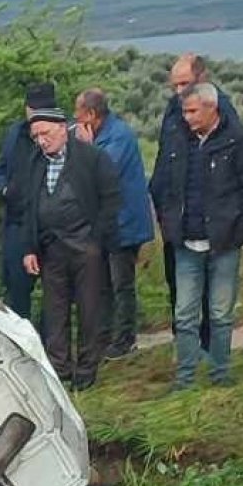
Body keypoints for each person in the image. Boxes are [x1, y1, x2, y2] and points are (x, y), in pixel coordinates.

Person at [149, 84, 243, 390]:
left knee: (220, 313)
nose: (186, 118)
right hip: (185, 242)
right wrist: (169, 225)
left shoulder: (240, 140)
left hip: (224, 243)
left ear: (213, 108)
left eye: (192, 111)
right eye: (184, 111)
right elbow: (159, 185)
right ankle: (185, 379)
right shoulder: (176, 141)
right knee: (184, 314)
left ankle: (220, 375)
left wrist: (239, 232)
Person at [20, 102, 121, 391]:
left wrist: (97, 240)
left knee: (90, 310)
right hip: (51, 247)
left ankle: (87, 369)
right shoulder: (35, 162)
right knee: (55, 310)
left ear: (63, 129)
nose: (41, 141)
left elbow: (111, 200)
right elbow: (28, 208)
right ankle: (59, 368)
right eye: (36, 136)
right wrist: (30, 248)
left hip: (86, 246)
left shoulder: (92, 158)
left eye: (46, 134)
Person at [157, 53, 240, 352]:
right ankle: (186, 353)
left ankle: (213, 355)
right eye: (174, 86)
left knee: (213, 297)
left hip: (212, 223)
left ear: (202, 80)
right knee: (179, 288)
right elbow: (164, 162)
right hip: (178, 218)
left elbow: (238, 176)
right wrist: (164, 210)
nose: (179, 92)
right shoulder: (172, 112)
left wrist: (235, 224)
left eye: (184, 84)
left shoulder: (223, 113)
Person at [73, 88, 153, 359]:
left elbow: (102, 172)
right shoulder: (104, 134)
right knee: (103, 283)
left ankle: (125, 339)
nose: (75, 117)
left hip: (125, 223)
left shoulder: (118, 135)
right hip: (107, 223)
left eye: (78, 112)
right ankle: (104, 337)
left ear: (91, 114)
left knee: (121, 284)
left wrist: (84, 147)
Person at [0, 83, 53, 319]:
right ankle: (21, 345)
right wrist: (5, 189)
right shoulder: (15, 134)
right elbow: (0, 169)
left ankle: (50, 348)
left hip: (48, 225)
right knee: (16, 291)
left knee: (53, 293)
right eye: (33, 109)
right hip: (16, 222)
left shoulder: (60, 136)